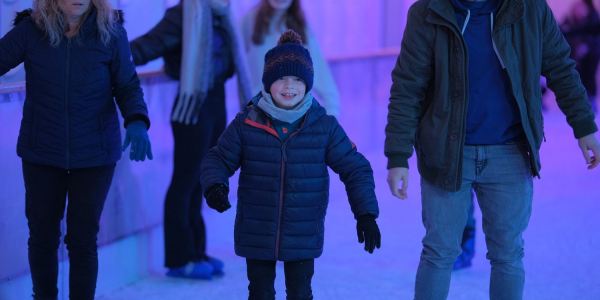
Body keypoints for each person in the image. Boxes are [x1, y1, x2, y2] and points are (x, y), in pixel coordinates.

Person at [384, 0, 600, 299]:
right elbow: (408, 86)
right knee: (439, 252)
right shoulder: (428, 12)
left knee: (508, 254)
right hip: (445, 152)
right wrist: (398, 155)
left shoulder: (530, 9)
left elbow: (560, 68)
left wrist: (584, 126)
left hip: (509, 152)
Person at [201, 30, 381, 300]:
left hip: (302, 232)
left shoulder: (324, 127)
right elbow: (218, 157)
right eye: (281, 78)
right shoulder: (247, 123)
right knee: (260, 293)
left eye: (297, 79)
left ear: (307, 84)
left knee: (300, 293)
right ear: (268, 82)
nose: (289, 86)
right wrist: (215, 184)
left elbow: (355, 168)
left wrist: (365, 213)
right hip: (257, 230)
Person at [0, 0, 153, 299]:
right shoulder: (32, 29)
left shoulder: (111, 31)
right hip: (42, 150)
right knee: (43, 237)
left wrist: (136, 120)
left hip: (94, 153)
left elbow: (128, 85)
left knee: (82, 240)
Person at [129, 0, 253, 279]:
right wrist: (108, 58)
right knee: (184, 181)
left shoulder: (222, 13)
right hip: (192, 105)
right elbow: (147, 46)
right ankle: (178, 258)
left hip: (216, 100)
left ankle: (197, 250)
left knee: (203, 178)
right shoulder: (183, 13)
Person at [240, 0, 341, 117]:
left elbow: (321, 73)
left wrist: (329, 116)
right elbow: (239, 69)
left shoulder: (300, 25)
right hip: (260, 117)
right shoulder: (248, 22)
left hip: (294, 118)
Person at [561, 0, 600, 112]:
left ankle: (590, 103)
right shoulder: (571, 19)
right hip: (578, 55)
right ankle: (583, 103)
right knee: (581, 78)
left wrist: (586, 46)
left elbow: (592, 34)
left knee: (589, 77)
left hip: (591, 53)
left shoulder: (592, 16)